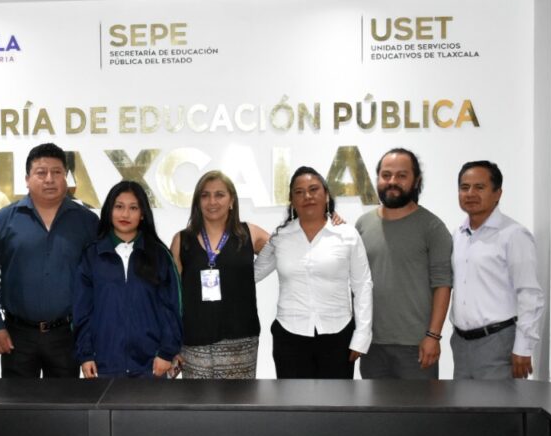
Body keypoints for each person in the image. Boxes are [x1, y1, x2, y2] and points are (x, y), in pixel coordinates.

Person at [0, 143, 99, 377]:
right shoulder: (3, 220)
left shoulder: (87, 222)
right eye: (41, 172)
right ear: (27, 179)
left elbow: (98, 281)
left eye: (57, 172)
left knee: (66, 400)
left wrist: (91, 333)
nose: (49, 179)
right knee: (18, 400)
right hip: (17, 335)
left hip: (67, 334)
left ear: (66, 178)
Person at [255, 167, 372, 378]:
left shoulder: (347, 235)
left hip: (338, 335)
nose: (307, 196)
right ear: (292, 201)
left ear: (326, 195)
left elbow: (362, 286)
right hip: (289, 336)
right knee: (293, 399)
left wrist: (361, 336)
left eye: (313, 189)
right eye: (299, 192)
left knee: (336, 399)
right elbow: (252, 274)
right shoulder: (280, 237)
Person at [355, 147, 452, 379]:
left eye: (401, 175)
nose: (392, 181)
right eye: (386, 175)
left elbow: (443, 285)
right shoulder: (362, 225)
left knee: (418, 405)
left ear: (416, 180)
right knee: (374, 405)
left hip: (416, 347)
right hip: (372, 346)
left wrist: (433, 336)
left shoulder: (432, 227)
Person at [73, 181, 182, 378]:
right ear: (109, 211)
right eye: (119, 207)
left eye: (133, 208)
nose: (125, 214)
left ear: (143, 214)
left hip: (151, 365)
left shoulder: (159, 255)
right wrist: (86, 354)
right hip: (103, 365)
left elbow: (172, 307)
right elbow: (82, 311)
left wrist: (166, 352)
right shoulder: (92, 255)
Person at [169, 171, 270, 379]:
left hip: (240, 341)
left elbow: (285, 250)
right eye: (205, 195)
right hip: (194, 342)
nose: (212, 201)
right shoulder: (182, 240)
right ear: (197, 202)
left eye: (219, 195)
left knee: (239, 400)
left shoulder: (249, 233)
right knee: (196, 400)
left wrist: (328, 217)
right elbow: (172, 296)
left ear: (231, 200)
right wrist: (170, 343)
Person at [451, 161, 545, 379]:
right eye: (465, 187)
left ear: (497, 193)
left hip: (498, 342)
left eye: (479, 187)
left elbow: (530, 294)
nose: (470, 193)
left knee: (497, 402)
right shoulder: (458, 234)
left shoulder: (514, 235)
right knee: (463, 402)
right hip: (461, 344)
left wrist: (523, 347)